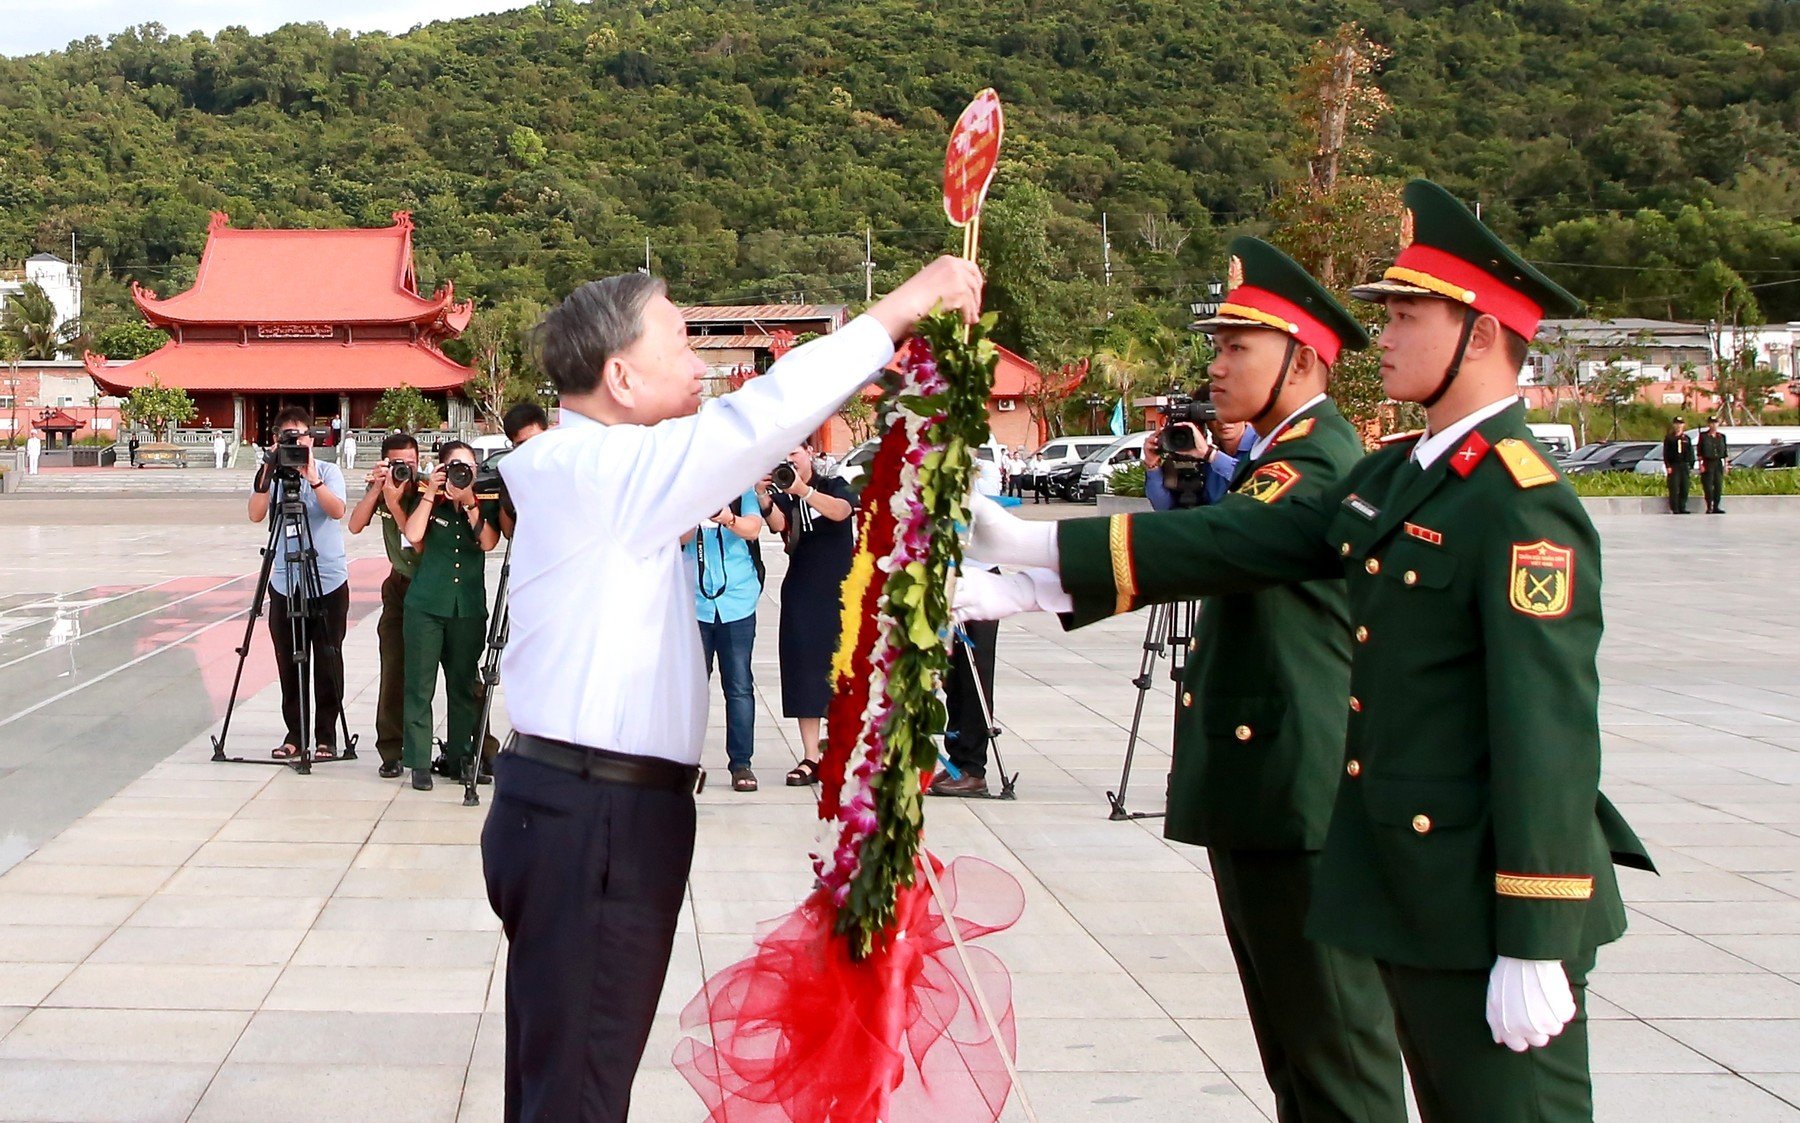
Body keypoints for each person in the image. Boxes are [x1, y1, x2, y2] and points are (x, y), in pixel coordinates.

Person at [961, 182, 1653, 1122]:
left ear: (1482, 336)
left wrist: (1537, 933)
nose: (1387, 337)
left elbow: (1549, 729)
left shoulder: (1522, 503)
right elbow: (1251, 542)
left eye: (1409, 316)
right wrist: (1040, 572)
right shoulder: (1400, 476)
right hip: (1411, 882)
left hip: (1484, 895)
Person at [482, 256, 982, 1122]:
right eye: (680, 338)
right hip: (590, 813)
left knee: (566, 1078)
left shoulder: (609, 470)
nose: (699, 361)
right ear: (622, 376)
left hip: (588, 808)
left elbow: (750, 436)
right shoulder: (601, 476)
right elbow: (755, 421)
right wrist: (902, 307)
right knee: (576, 1091)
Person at [248, 406, 350, 762]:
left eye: (301, 436)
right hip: (284, 580)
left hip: (326, 580)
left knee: (327, 658)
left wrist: (312, 478)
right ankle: (295, 733)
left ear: (312, 439)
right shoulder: (271, 475)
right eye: (287, 437)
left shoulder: (328, 471)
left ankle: (326, 736)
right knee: (288, 662)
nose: (295, 442)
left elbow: (337, 510)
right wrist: (268, 470)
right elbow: (256, 513)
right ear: (275, 440)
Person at [400, 440, 501, 791]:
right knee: (420, 685)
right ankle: (417, 761)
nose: (462, 473)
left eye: (468, 467)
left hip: (467, 607)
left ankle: (461, 757)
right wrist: (431, 493)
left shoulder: (484, 501)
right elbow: (412, 534)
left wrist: (470, 502)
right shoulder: (428, 499)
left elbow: (488, 543)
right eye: (454, 467)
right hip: (426, 605)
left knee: (462, 686)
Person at [762, 438, 856, 786]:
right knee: (804, 670)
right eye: (782, 457)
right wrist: (764, 498)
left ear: (810, 454)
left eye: (794, 454)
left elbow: (840, 511)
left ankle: (843, 750)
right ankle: (810, 756)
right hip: (802, 591)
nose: (789, 461)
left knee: (842, 673)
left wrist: (802, 489)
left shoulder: (834, 484)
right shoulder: (782, 494)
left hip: (841, 592)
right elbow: (777, 526)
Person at [347, 432, 423, 779]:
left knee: (459, 671)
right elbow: (355, 524)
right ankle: (391, 749)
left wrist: (396, 502)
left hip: (432, 586)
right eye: (396, 464)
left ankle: (473, 748)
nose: (404, 470)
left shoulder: (428, 491)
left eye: (410, 463)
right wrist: (378, 488)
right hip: (398, 586)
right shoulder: (383, 489)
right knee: (393, 668)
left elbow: (420, 541)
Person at [681, 484, 766, 792]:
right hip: (695, 604)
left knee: (740, 685)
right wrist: (693, 515)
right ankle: (684, 762)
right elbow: (677, 539)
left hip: (737, 600)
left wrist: (727, 517)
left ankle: (741, 764)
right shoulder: (685, 490)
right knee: (691, 691)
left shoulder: (738, 489)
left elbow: (753, 529)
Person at [1662, 416, 1694, 514]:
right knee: (1674, 487)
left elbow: (1690, 452)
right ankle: (1674, 508)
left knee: (1684, 487)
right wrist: (1668, 466)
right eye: (1676, 424)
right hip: (1674, 465)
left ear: (1683, 425)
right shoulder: (1669, 438)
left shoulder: (1686, 438)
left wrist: (1691, 465)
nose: (1678, 426)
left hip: (1684, 465)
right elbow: (1666, 453)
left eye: (1680, 424)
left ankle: (1682, 507)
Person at [1698, 415, 1728, 514]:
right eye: (1711, 423)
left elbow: (1725, 452)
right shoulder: (1703, 436)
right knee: (1708, 486)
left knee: (1718, 485)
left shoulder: (1721, 437)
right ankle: (1709, 506)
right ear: (1708, 424)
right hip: (1707, 462)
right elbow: (1700, 451)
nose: (1713, 425)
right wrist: (1700, 465)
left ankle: (1716, 506)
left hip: (1718, 463)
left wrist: (1726, 465)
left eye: (1715, 423)